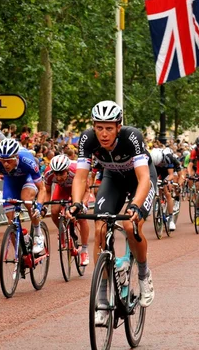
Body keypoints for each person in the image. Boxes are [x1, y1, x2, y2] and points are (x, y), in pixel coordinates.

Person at [67, 100, 156, 325]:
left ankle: (144, 275)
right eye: (99, 128)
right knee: (100, 226)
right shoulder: (87, 139)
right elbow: (80, 176)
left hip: (139, 179)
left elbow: (144, 178)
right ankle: (104, 298)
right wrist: (77, 203)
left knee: (129, 225)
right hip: (113, 179)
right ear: (93, 127)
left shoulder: (131, 136)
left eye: (109, 128)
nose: (103, 133)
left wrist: (135, 205)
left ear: (118, 127)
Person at [0, 138, 47, 255]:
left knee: (27, 199)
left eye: (9, 160)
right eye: (3, 161)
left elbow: (42, 188)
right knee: (11, 220)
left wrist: (38, 207)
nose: (5, 164)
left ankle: (38, 234)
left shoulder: (27, 160)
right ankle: (20, 257)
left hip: (27, 178)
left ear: (16, 157)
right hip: (10, 182)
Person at [44, 154, 90, 266]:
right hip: (62, 190)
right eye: (56, 174)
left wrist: (82, 205)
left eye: (61, 173)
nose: (58, 177)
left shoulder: (77, 170)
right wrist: (44, 206)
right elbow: (47, 191)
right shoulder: (48, 173)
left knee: (81, 217)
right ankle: (63, 231)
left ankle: (84, 250)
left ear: (68, 170)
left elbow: (87, 191)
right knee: (54, 211)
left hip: (78, 189)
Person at [150, 147, 181, 230]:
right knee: (158, 187)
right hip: (159, 171)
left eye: (160, 163)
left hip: (169, 171)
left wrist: (166, 181)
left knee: (167, 191)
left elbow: (171, 175)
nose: (159, 164)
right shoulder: (152, 160)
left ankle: (171, 219)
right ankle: (160, 203)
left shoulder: (168, 158)